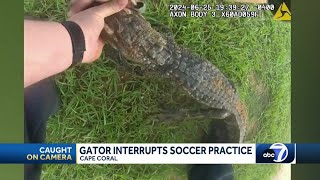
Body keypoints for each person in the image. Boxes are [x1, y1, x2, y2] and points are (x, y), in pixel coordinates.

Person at [24, 0, 234, 179]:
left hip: (220, 101)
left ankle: (219, 151)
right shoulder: (161, 49)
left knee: (223, 114)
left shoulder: (155, 63)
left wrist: (177, 114)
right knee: (37, 99)